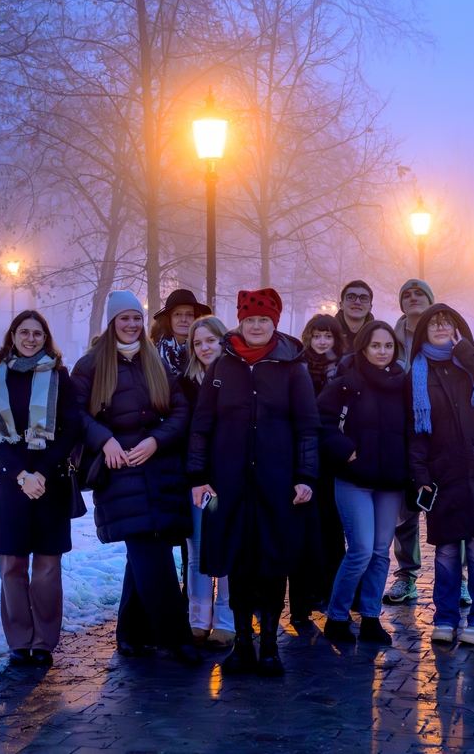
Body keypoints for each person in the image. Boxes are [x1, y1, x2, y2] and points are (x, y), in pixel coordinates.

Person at [188, 288, 322, 677]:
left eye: (264, 319)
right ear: (240, 322)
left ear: (274, 323)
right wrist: (198, 477)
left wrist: (306, 477)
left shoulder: (292, 367)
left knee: (273, 563)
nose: (257, 326)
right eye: (250, 320)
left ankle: (269, 646)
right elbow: (201, 427)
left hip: (278, 484)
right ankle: (243, 642)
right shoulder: (221, 367)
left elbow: (307, 428)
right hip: (226, 486)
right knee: (236, 561)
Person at [71, 290, 203, 667]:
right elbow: (75, 412)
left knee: (145, 550)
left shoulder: (155, 361)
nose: (131, 324)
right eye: (124, 318)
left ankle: (131, 633)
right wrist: (105, 440)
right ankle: (176, 639)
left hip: (157, 466)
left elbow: (180, 411)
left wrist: (156, 440)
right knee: (150, 550)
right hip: (117, 469)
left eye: (136, 318)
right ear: (112, 322)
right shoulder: (91, 365)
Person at [405, 304, 474, 647]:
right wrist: (420, 475)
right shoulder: (416, 374)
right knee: (446, 553)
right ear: (423, 332)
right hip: (443, 474)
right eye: (434, 324)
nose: (441, 328)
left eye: (447, 323)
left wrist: (465, 353)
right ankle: (445, 619)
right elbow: (415, 432)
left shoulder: (473, 361)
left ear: (458, 329)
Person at [0, 311, 84, 667]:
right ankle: (19, 639)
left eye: (37, 334)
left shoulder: (58, 376)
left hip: (49, 480)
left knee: (46, 566)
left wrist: (40, 472)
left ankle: (43, 641)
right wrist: (21, 474)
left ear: (46, 338)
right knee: (12, 565)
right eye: (23, 332)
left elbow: (72, 428)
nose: (30, 339)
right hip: (10, 480)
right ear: (12, 335)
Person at [316, 320, 411, 645]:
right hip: (353, 478)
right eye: (376, 345)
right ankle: (337, 617)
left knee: (381, 552)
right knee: (360, 551)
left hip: (389, 481)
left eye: (388, 346)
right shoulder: (346, 382)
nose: (382, 352)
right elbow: (321, 422)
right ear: (364, 348)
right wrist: (345, 450)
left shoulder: (403, 383)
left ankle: (370, 618)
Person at [176, 315, 234, 648]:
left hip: (228, 477)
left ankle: (226, 620)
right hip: (197, 478)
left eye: (211, 340)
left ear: (223, 340)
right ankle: (197, 619)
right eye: (197, 343)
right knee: (196, 549)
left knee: (224, 547)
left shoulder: (237, 377)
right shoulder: (185, 383)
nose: (204, 348)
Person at [288, 313, 347, 622]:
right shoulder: (296, 366)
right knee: (306, 526)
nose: (322, 342)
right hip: (304, 454)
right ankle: (306, 594)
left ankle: (332, 588)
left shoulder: (344, 369)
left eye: (328, 336)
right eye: (317, 336)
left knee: (333, 526)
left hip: (333, 455)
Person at [383, 278, 434, 607]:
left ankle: (458, 579)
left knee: (448, 508)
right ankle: (406, 575)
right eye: (407, 295)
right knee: (405, 512)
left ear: (430, 300)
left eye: (420, 294)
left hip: (438, 432)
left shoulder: (441, 333)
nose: (413, 298)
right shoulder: (390, 339)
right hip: (401, 433)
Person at [151, 289, 211, 379]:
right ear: (169, 318)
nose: (183, 319)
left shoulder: (206, 349)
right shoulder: (151, 352)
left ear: (196, 318)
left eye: (189, 314)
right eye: (178, 314)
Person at [334, 280, 376, 351]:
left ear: (370, 307)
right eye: (351, 297)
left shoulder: (379, 337)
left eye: (363, 298)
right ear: (341, 305)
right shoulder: (326, 336)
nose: (357, 302)